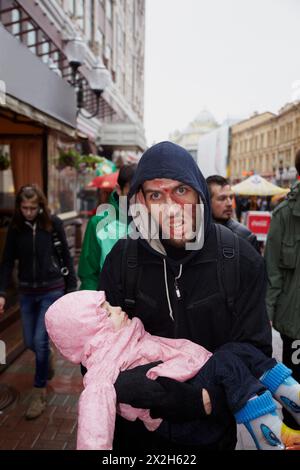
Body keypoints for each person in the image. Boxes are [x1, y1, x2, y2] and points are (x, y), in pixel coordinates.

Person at [98, 141, 272, 451]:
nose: (171, 207)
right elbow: (93, 344)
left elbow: (255, 350)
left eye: (180, 191)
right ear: (141, 203)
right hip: (136, 438)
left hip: (211, 436)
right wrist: (123, 384)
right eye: (155, 195)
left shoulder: (240, 260)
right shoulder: (123, 260)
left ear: (198, 194)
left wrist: (204, 399)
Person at [45, 290, 300, 450]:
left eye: (110, 305)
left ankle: (292, 394)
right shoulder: (103, 372)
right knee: (228, 362)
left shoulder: (126, 338)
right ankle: (269, 434)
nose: (118, 309)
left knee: (237, 350)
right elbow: (93, 428)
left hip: (189, 385)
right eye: (108, 312)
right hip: (177, 424)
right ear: (92, 331)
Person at [0, 184, 77, 419]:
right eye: (24, 207)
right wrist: (2, 292)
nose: (29, 212)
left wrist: (71, 288)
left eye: (33, 207)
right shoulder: (15, 228)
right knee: (29, 341)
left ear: (40, 206)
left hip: (50, 290)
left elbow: (65, 253)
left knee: (40, 342)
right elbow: (6, 262)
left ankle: (39, 390)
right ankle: (47, 359)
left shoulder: (53, 224)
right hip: (26, 292)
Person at [264, 149, 300, 430]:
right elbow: (273, 271)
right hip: (295, 321)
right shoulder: (285, 215)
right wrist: (268, 314)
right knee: (296, 389)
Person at [78, 164, 137, 290]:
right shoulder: (98, 223)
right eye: (131, 192)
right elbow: (89, 274)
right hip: (109, 303)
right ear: (119, 189)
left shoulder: (155, 220)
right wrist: (92, 305)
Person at [206, 175, 260, 252]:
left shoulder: (246, 236)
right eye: (222, 198)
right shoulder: (195, 234)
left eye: (231, 197)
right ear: (207, 201)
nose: (230, 203)